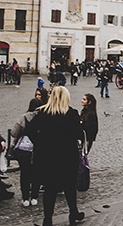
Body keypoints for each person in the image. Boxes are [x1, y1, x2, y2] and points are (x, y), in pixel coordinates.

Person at [29, 86, 85, 226]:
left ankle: (47, 219)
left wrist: (39, 143)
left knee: (50, 188)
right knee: (69, 186)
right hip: (67, 155)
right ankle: (73, 213)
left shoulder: (42, 113)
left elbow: (30, 131)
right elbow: (78, 134)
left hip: (47, 156)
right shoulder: (72, 113)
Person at [10, 98, 42, 207]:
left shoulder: (23, 117)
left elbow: (14, 133)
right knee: (37, 172)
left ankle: (25, 198)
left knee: (24, 173)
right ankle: (34, 196)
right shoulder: (43, 118)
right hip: (38, 149)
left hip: (24, 149)